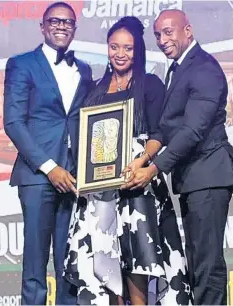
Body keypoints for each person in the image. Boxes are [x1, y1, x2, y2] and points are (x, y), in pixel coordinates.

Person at [63, 16, 191, 306]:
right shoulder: (94, 89)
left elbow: (162, 132)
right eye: (114, 47)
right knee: (104, 262)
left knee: (138, 262)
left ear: (138, 52)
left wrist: (143, 160)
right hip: (100, 193)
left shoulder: (152, 86)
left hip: (138, 186)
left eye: (128, 48)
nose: (120, 54)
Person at [122, 9, 233, 305]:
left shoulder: (203, 68)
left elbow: (192, 130)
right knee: (198, 260)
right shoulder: (179, 68)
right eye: (158, 34)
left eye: (169, 32)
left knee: (207, 263)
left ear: (187, 31)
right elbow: (167, 126)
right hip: (194, 179)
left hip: (210, 174)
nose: (163, 40)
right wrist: (144, 157)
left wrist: (153, 171)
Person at [3, 2, 92, 305]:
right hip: (38, 176)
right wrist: (49, 167)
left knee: (70, 263)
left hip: (74, 177)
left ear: (74, 29)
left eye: (68, 22)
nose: (61, 26)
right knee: (35, 263)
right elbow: (13, 123)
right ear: (42, 26)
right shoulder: (22, 64)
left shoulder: (84, 69)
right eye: (54, 21)